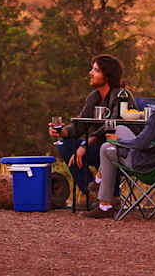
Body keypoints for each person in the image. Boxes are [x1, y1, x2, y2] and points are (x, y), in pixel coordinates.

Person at [85, 66, 155, 219]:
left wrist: (120, 142)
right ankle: (102, 196)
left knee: (108, 144)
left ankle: (103, 200)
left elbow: (141, 143)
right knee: (114, 137)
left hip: (151, 165)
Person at [48, 54, 124, 203]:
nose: (90, 73)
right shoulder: (93, 97)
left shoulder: (120, 96)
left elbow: (113, 125)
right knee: (64, 144)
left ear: (107, 76)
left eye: (95, 70)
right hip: (97, 147)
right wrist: (61, 131)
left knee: (94, 149)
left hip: (117, 149)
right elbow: (79, 126)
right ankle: (92, 194)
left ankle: (110, 195)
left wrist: (85, 144)